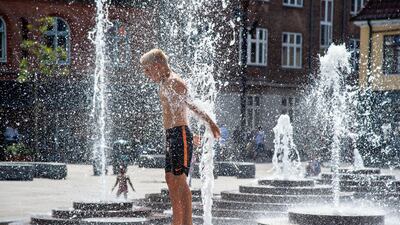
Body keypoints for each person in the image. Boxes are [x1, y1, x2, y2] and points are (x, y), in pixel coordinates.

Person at [140, 49, 220, 225]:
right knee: (170, 180)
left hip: (180, 134)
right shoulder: (163, 83)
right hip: (171, 135)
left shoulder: (175, 82)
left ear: (157, 66)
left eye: (147, 70)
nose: (146, 75)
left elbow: (191, 105)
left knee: (180, 181)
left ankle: (185, 223)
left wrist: (210, 123)